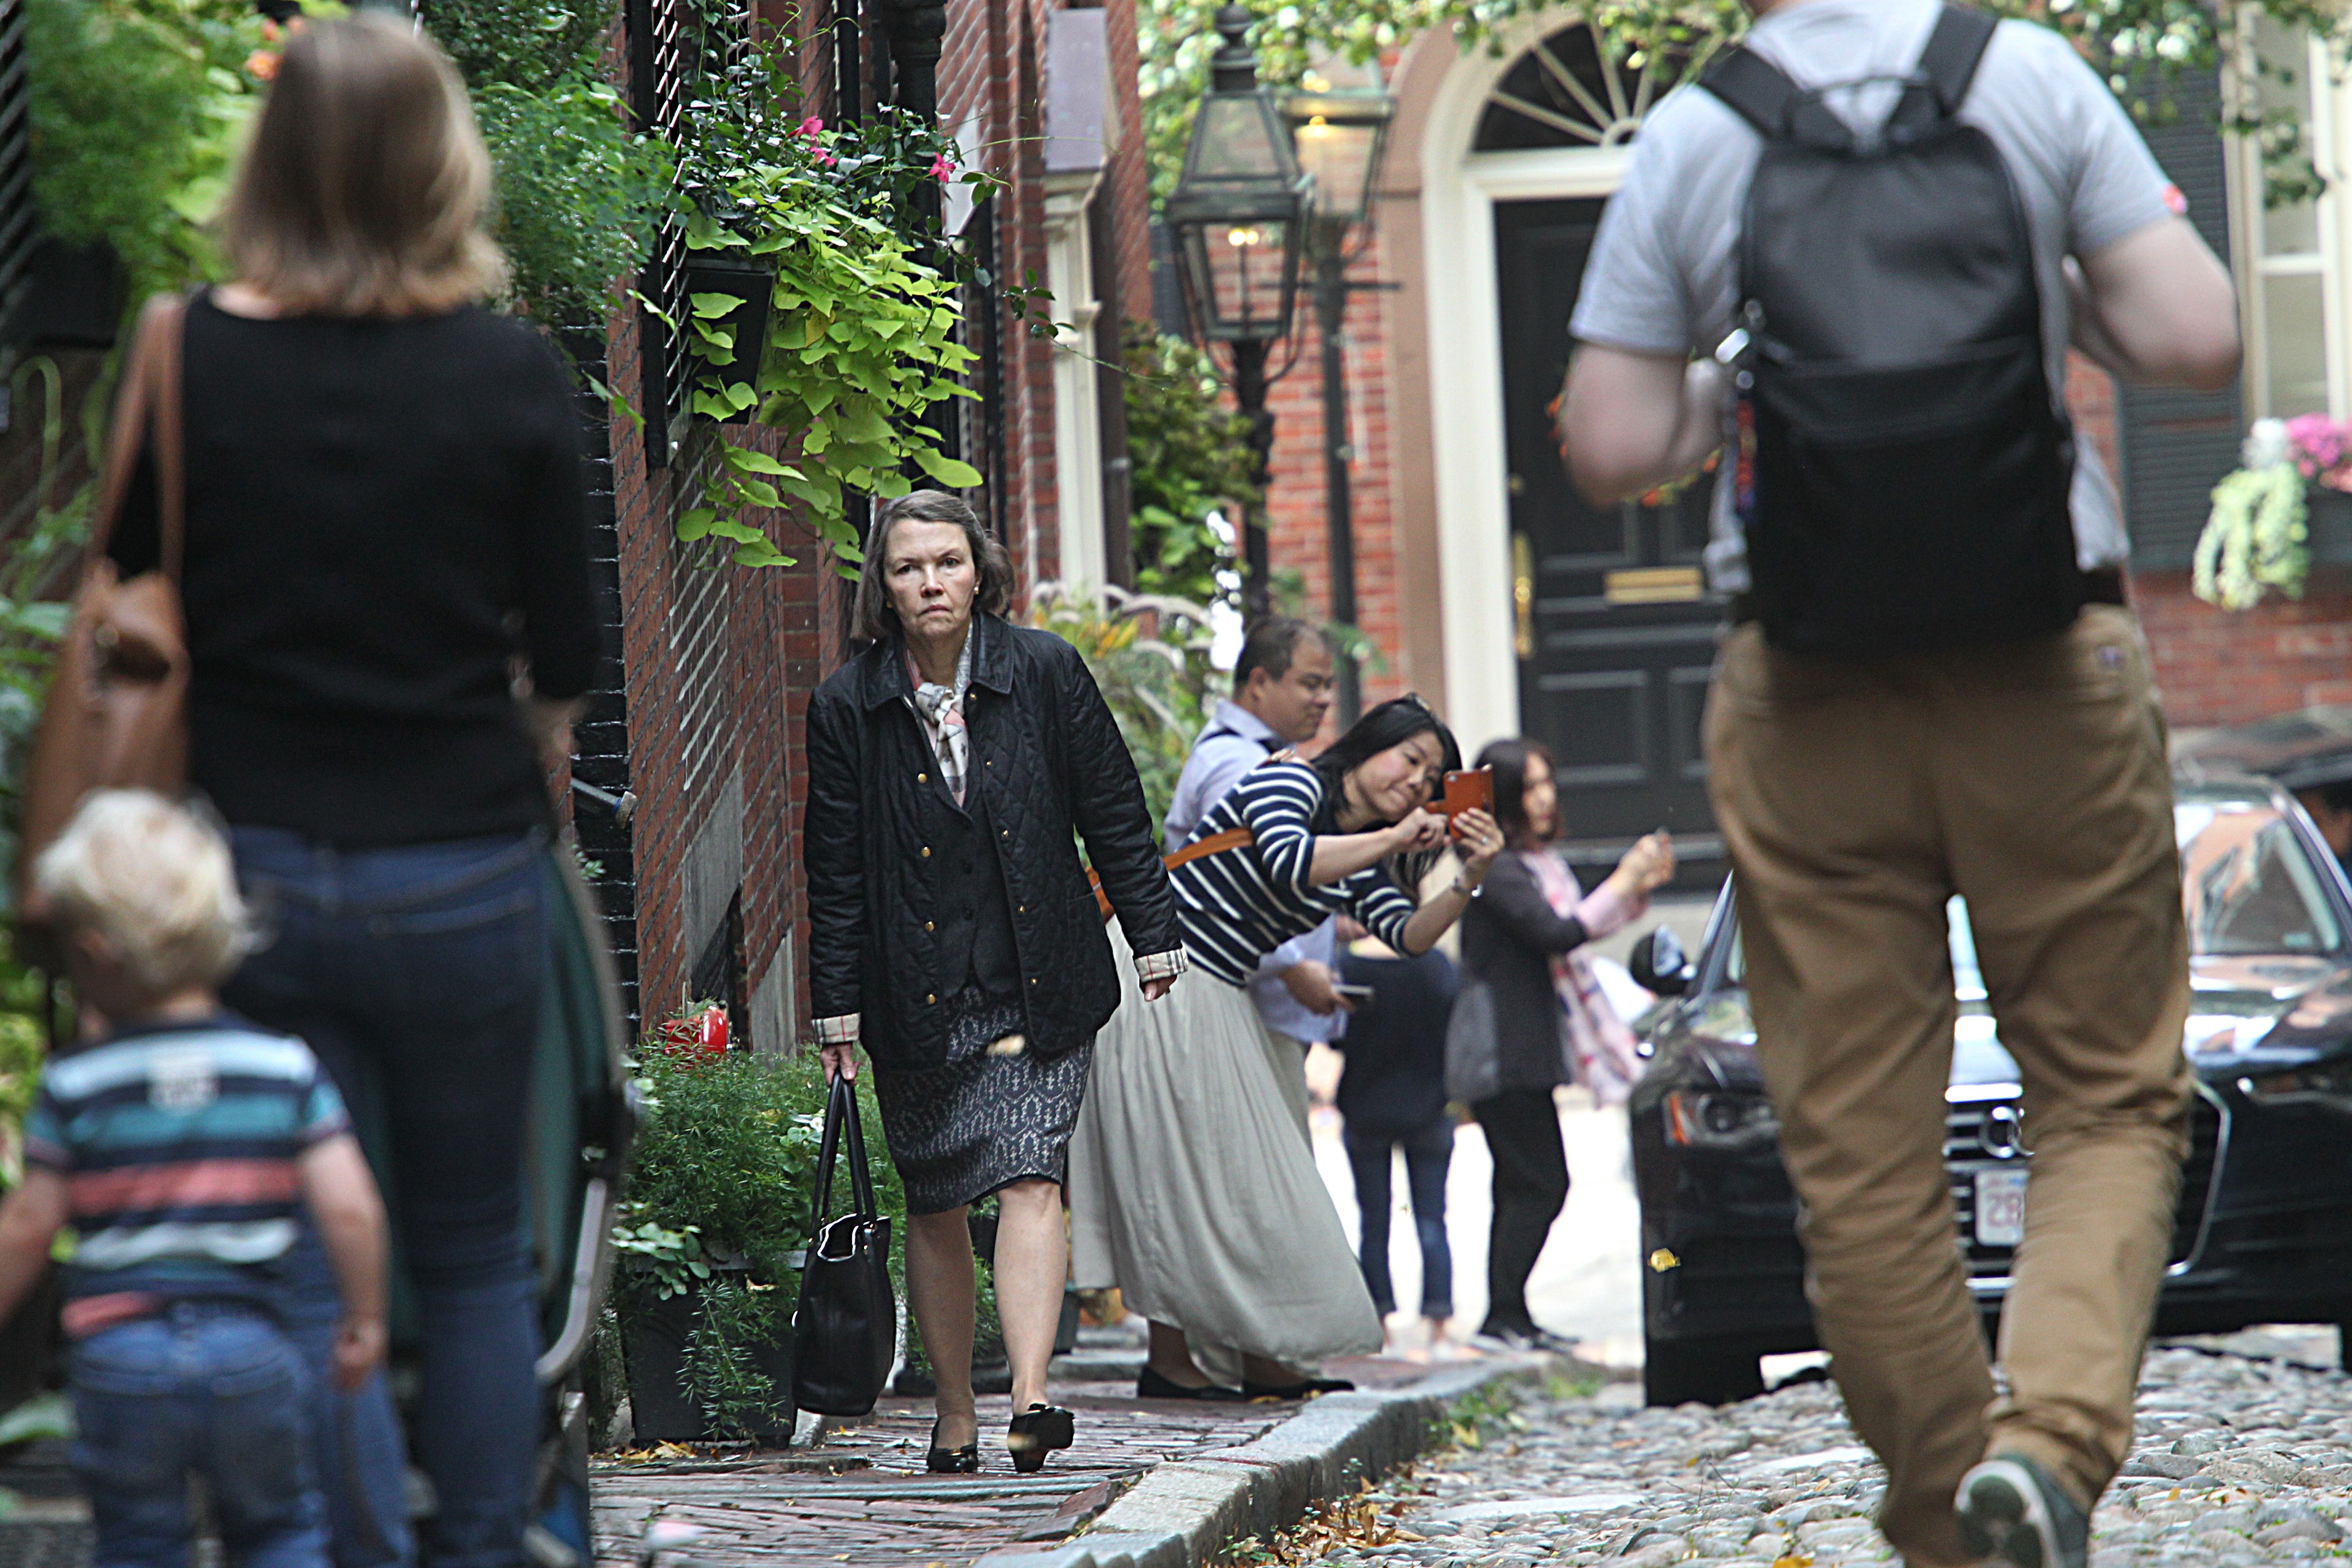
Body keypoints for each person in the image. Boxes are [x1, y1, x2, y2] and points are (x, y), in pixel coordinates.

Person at [1559, 2, 2240, 1564]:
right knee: (2101, 1090)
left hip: (1804, 688)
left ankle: (1944, 1510)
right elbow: (2193, 335)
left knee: (1857, 1143)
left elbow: (1609, 439)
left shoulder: (1692, 131)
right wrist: (2034, 291)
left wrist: (1739, 380)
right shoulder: (2025, 81)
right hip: (2041, 663)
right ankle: (2048, 1447)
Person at [103, 18, 605, 1567]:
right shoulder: (512, 369)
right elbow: (567, 658)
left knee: (304, 1260)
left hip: (250, 866)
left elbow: (128, 588)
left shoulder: (188, 351)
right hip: (460, 862)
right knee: (465, 1250)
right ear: (439, 161)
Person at [804, 490, 1185, 1474]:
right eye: (906, 568)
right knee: (934, 1199)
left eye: (947, 562)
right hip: (914, 989)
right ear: (882, 591)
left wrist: (1153, 936)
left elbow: (1113, 807)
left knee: (1028, 1175)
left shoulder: (1045, 672)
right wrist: (836, 1006)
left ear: (981, 574)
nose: (930, 581)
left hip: (1040, 979)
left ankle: (1028, 1399)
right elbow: (834, 869)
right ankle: (954, 1411)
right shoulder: (849, 705)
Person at [1070, 697, 1507, 1398]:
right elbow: (1288, 860)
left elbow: (1410, 935)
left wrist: (1470, 874)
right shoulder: (1291, 780)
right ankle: (1177, 1360)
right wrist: (1396, 841)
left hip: (1214, 988)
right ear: (1367, 748)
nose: (1417, 783)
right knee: (1183, 1169)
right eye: (1411, 759)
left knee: (1229, 1175)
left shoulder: (1366, 857)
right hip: (1160, 972)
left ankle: (1259, 1354)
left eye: (1433, 778)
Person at [0, 792, 390, 1568]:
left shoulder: (80, 1082)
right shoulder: (280, 1065)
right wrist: (365, 1317)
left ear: (94, 954)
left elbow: (28, 1225)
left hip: (121, 1359)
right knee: (278, 1528)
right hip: (253, 1349)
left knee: (141, 1539)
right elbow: (349, 1206)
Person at [1458, 740, 1671, 1352]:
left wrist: (1632, 893)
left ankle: (1510, 1316)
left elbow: (1575, 925)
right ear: (1503, 797)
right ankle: (1503, 1316)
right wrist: (1622, 884)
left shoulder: (1533, 865)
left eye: (1548, 782)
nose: (1545, 797)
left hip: (1523, 1047)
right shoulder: (1495, 866)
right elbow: (1556, 932)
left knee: (1523, 1183)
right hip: (1500, 1047)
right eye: (1529, 787)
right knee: (1540, 1181)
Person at [1163, 616, 1349, 1129]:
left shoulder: (1249, 757)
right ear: (1260, 683)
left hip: (1256, 1011)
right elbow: (1231, 887)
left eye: (1329, 686)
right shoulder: (1238, 766)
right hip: (1246, 1014)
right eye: (1310, 684)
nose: (1324, 699)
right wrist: (1293, 967)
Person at [1331, 929, 1459, 1356]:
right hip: (1429, 1104)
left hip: (1365, 1104)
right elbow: (1454, 1027)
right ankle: (1438, 1326)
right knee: (1432, 1220)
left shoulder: (1347, 967)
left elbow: (1335, 1035)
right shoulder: (1436, 967)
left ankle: (1380, 1325)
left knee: (1374, 1221)